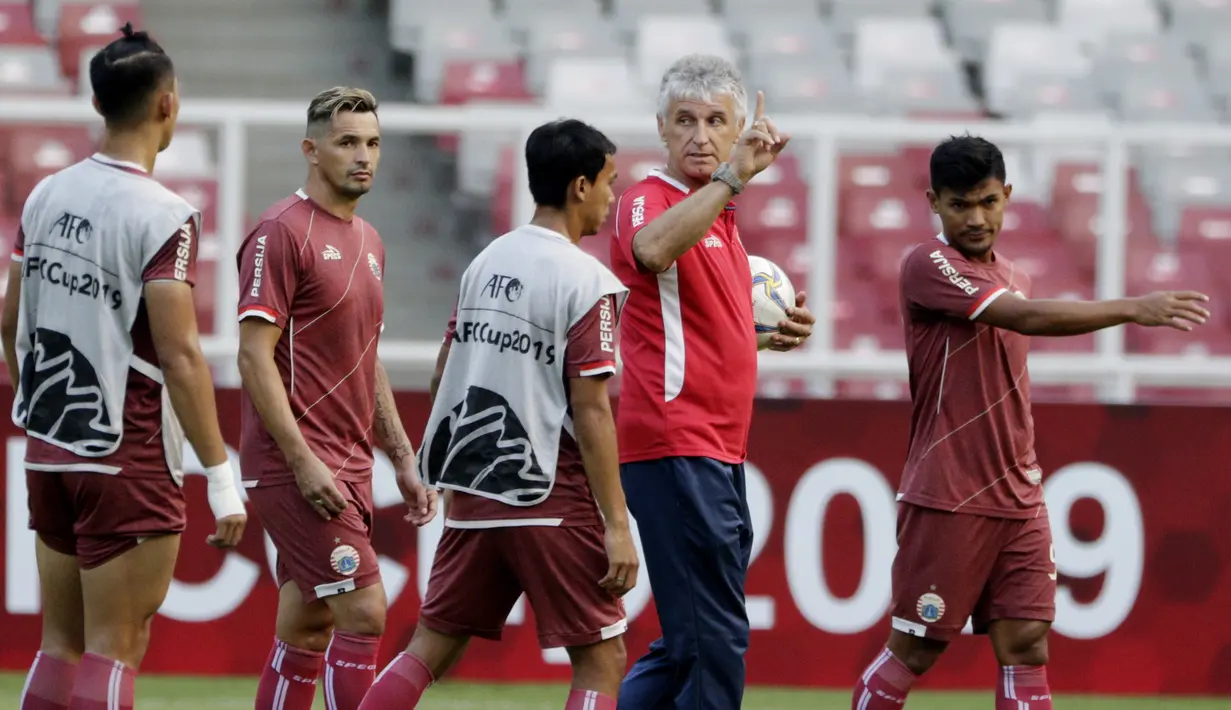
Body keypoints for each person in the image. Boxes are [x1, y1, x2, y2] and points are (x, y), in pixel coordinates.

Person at [851, 135, 1211, 710]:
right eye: (960, 204)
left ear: (1008, 196)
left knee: (1026, 644)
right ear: (934, 202)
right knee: (914, 650)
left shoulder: (1015, 274)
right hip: (950, 493)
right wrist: (1132, 307)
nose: (976, 217)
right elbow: (1026, 317)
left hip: (1019, 494)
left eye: (988, 202)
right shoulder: (929, 264)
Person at [2, 24, 248, 710]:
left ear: (97, 102)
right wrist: (220, 476)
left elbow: (8, 320)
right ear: (167, 105)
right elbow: (178, 353)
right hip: (124, 453)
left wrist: (42, 407)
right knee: (116, 647)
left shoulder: (45, 194)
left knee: (59, 646)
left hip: (49, 450)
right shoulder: (164, 214)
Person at [358, 119, 636, 710]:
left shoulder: (484, 262)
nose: (614, 197)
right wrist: (616, 524)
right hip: (550, 494)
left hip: (475, 492)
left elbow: (443, 373)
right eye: (610, 182)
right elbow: (590, 410)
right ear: (581, 186)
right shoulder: (590, 283)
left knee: (431, 646)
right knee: (601, 659)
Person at [609, 54, 816, 710]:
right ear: (661, 130)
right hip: (676, 442)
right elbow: (648, 251)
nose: (699, 135)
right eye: (685, 121)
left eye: (715, 121)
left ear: (736, 129)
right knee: (715, 637)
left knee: (689, 641)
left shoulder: (719, 220)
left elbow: (698, 323)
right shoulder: (650, 197)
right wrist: (732, 178)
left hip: (715, 448)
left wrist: (769, 333)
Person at [235, 86, 438, 710]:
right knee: (365, 611)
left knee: (307, 625)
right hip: (296, 460)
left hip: (350, 460)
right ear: (311, 149)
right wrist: (299, 458)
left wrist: (400, 455)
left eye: (373, 143)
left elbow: (365, 355)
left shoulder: (370, 240)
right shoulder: (279, 231)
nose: (363, 156)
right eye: (348, 142)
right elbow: (252, 354)